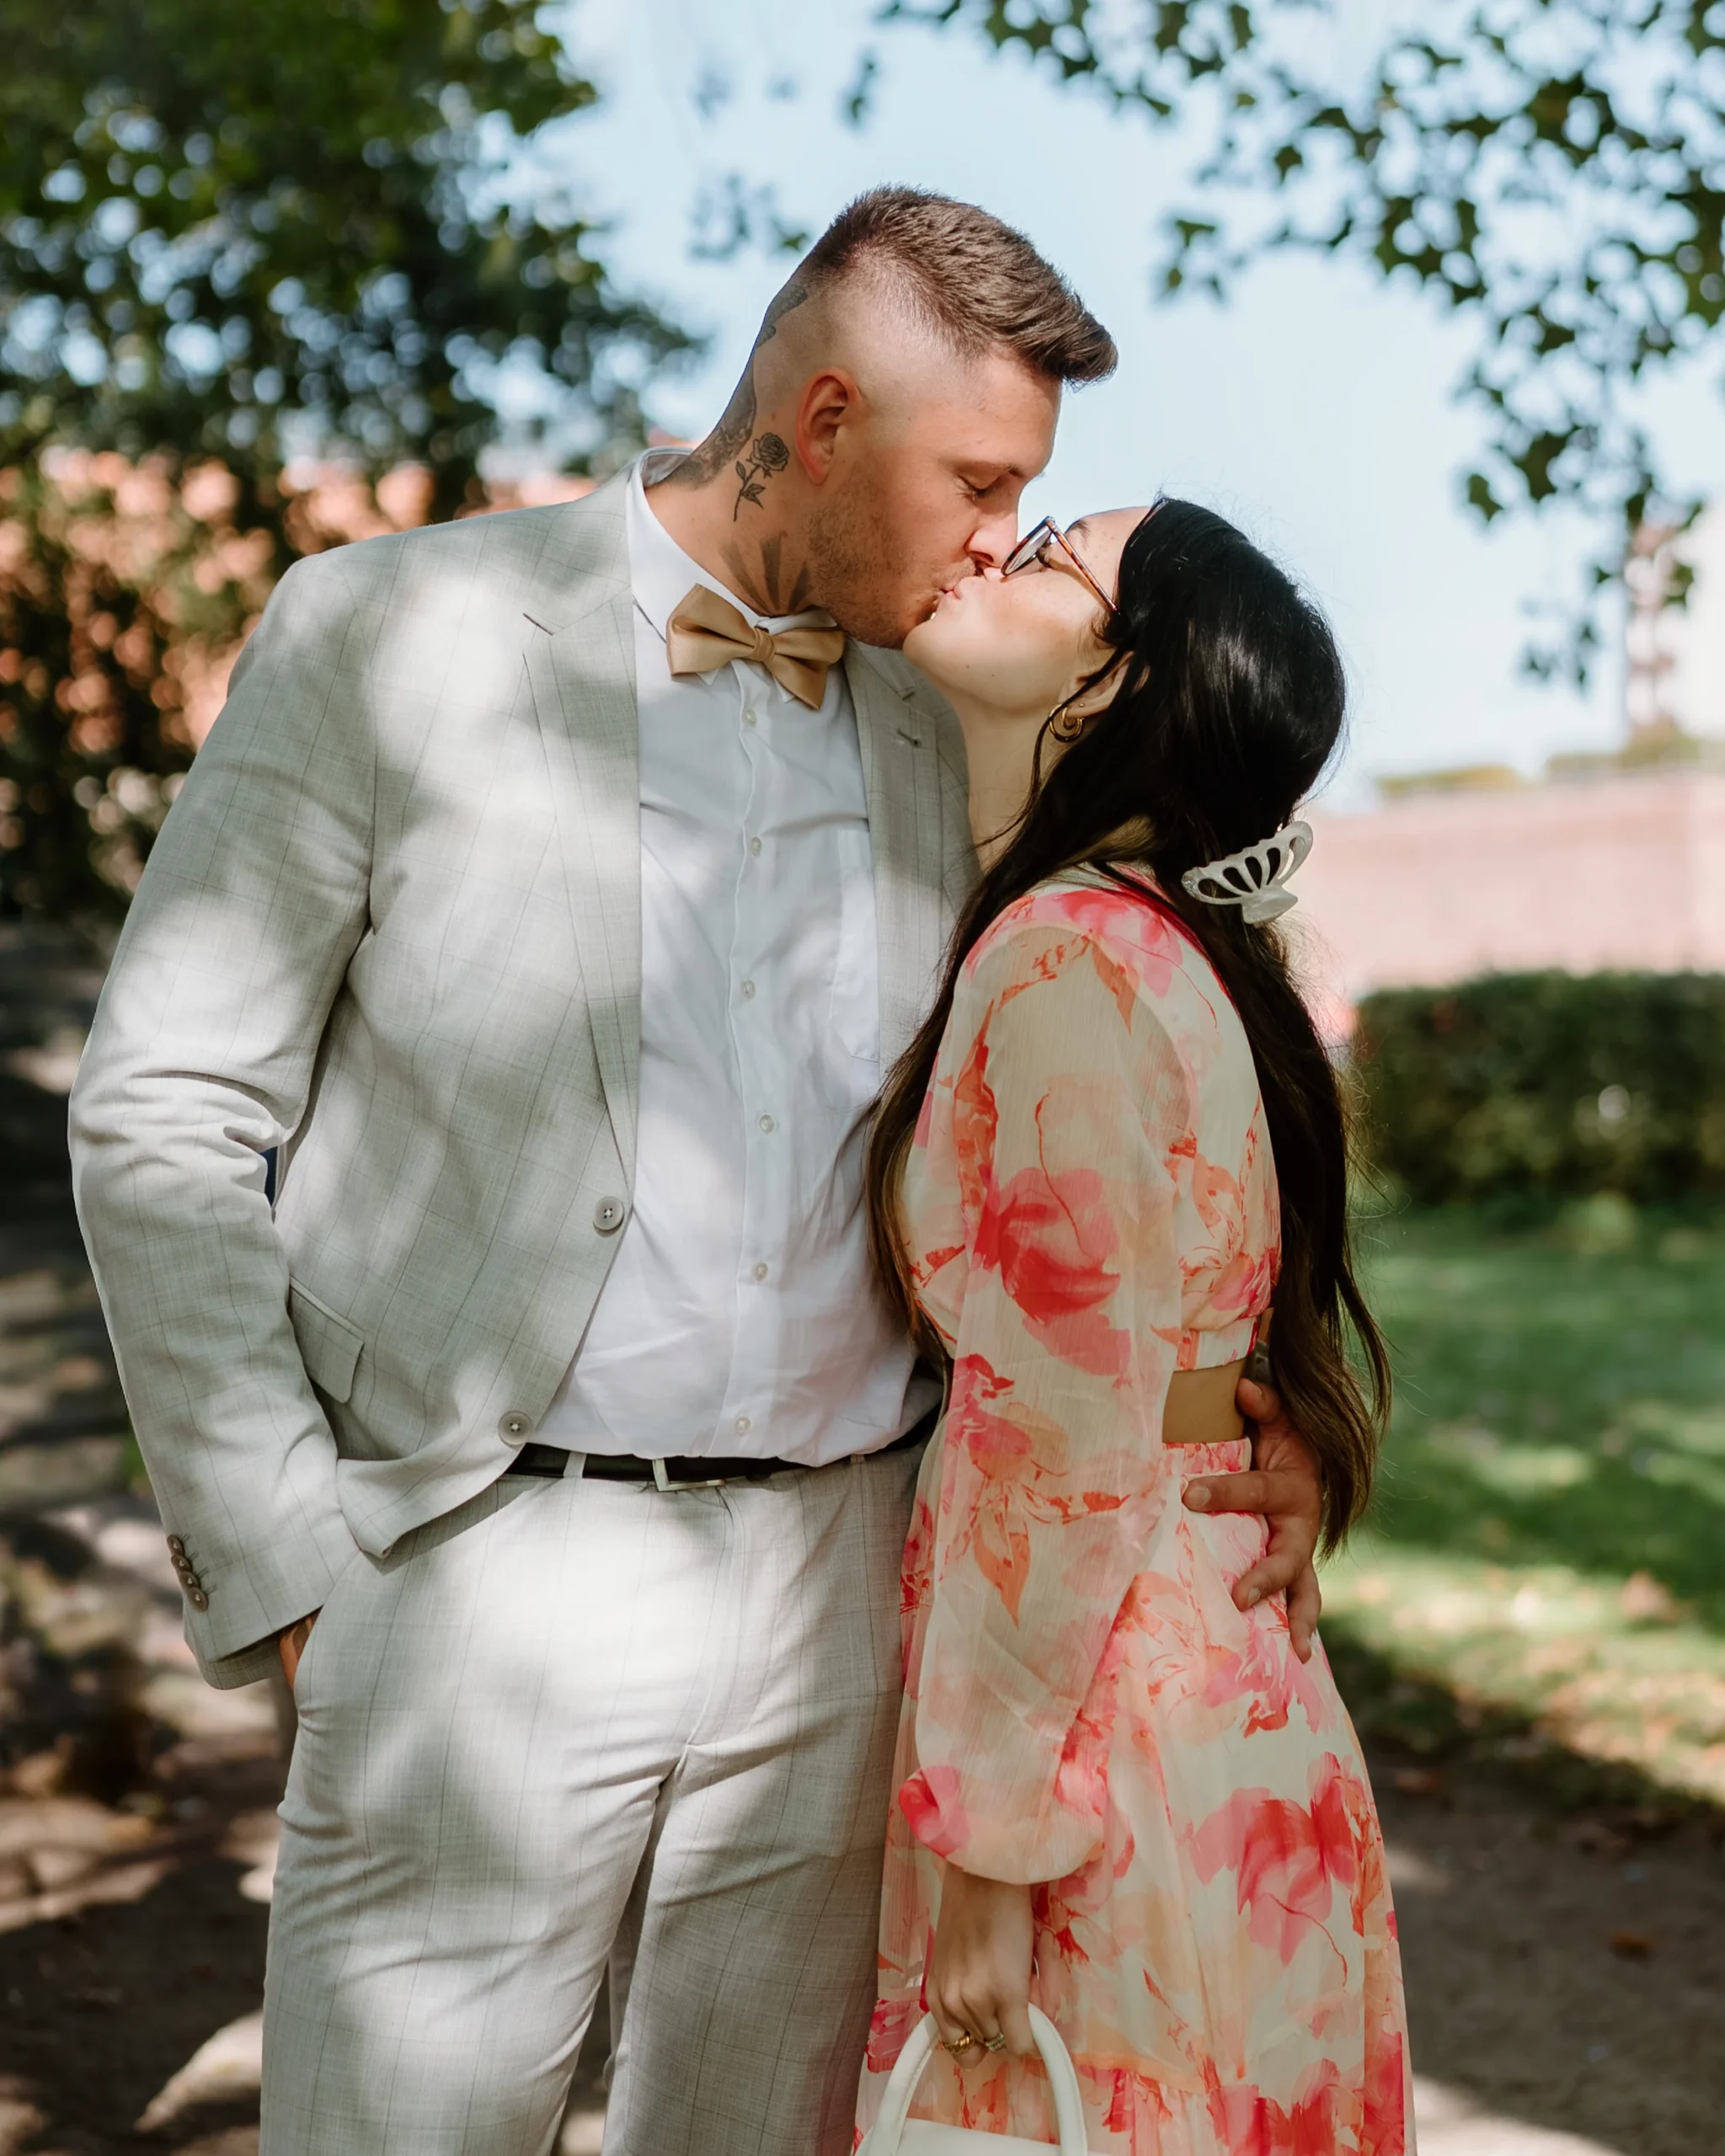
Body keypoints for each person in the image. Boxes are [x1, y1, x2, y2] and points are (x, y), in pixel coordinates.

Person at [69, 189, 1329, 2156]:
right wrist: (298, 1567)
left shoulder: (969, 703)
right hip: (479, 1581)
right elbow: (161, 1100)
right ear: (822, 423)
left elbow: (1169, 1045)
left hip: (851, 1604)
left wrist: (1274, 1419)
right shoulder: (389, 633)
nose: (1002, 534)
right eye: (976, 478)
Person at [855, 501, 1411, 2153]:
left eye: (1049, 556)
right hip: (1219, 1702)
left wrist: (987, 1839)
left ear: (1126, 680)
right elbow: (1171, 1374)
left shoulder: (1057, 962)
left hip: (1093, 1740)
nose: (991, 551)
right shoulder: (1170, 953)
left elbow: (1054, 1435)